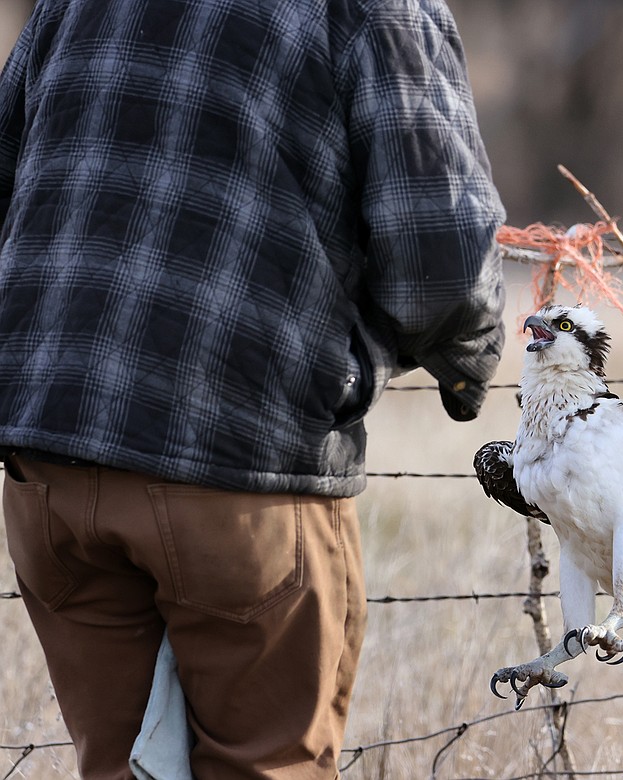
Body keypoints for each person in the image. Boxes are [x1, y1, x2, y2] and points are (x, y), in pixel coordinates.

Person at [0, 0, 505, 777]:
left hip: (49, 456)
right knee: (269, 765)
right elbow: (441, 265)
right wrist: (459, 366)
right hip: (240, 459)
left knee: (118, 766)